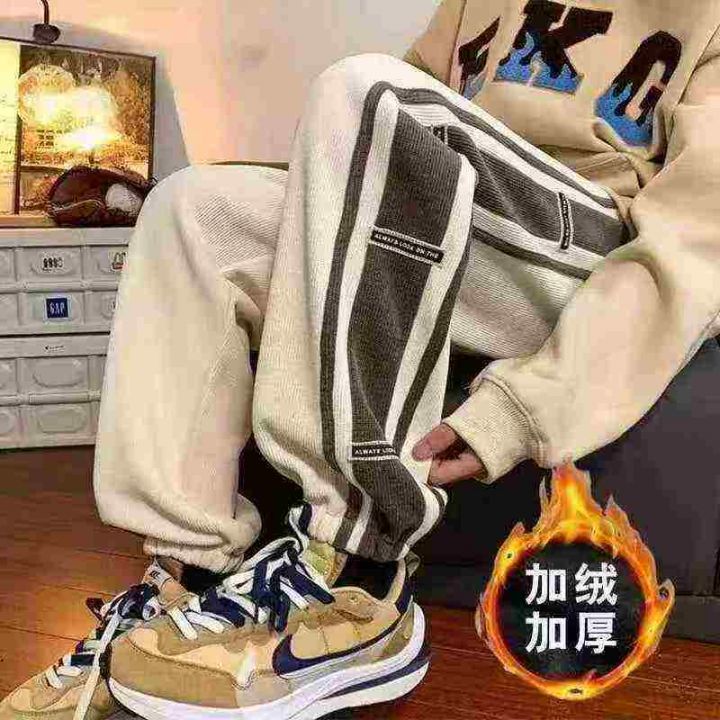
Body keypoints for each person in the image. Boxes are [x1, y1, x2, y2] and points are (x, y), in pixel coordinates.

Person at [4, 1, 720, 718]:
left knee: (369, 93)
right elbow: (376, 145)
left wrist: (526, 406)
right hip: (462, 222)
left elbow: (695, 246)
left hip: (581, 245)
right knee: (194, 206)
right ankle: (184, 580)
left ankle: (353, 577)